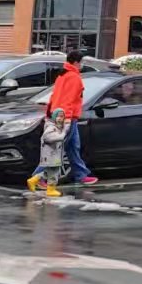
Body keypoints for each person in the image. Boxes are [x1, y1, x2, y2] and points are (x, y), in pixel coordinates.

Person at [44, 50, 96, 186]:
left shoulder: (63, 75)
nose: (82, 64)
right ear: (76, 62)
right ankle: (40, 177)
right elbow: (69, 99)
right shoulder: (74, 77)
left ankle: (81, 174)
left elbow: (54, 96)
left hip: (60, 114)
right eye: (82, 62)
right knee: (58, 148)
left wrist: (49, 112)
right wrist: (66, 118)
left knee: (73, 147)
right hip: (67, 117)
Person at [27, 107, 69, 196]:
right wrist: (64, 132)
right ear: (54, 117)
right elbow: (49, 138)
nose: (60, 119)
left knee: (49, 172)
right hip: (51, 155)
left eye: (62, 117)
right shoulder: (51, 128)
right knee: (54, 173)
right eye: (58, 116)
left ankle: (34, 180)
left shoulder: (57, 127)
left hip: (54, 155)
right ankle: (51, 190)